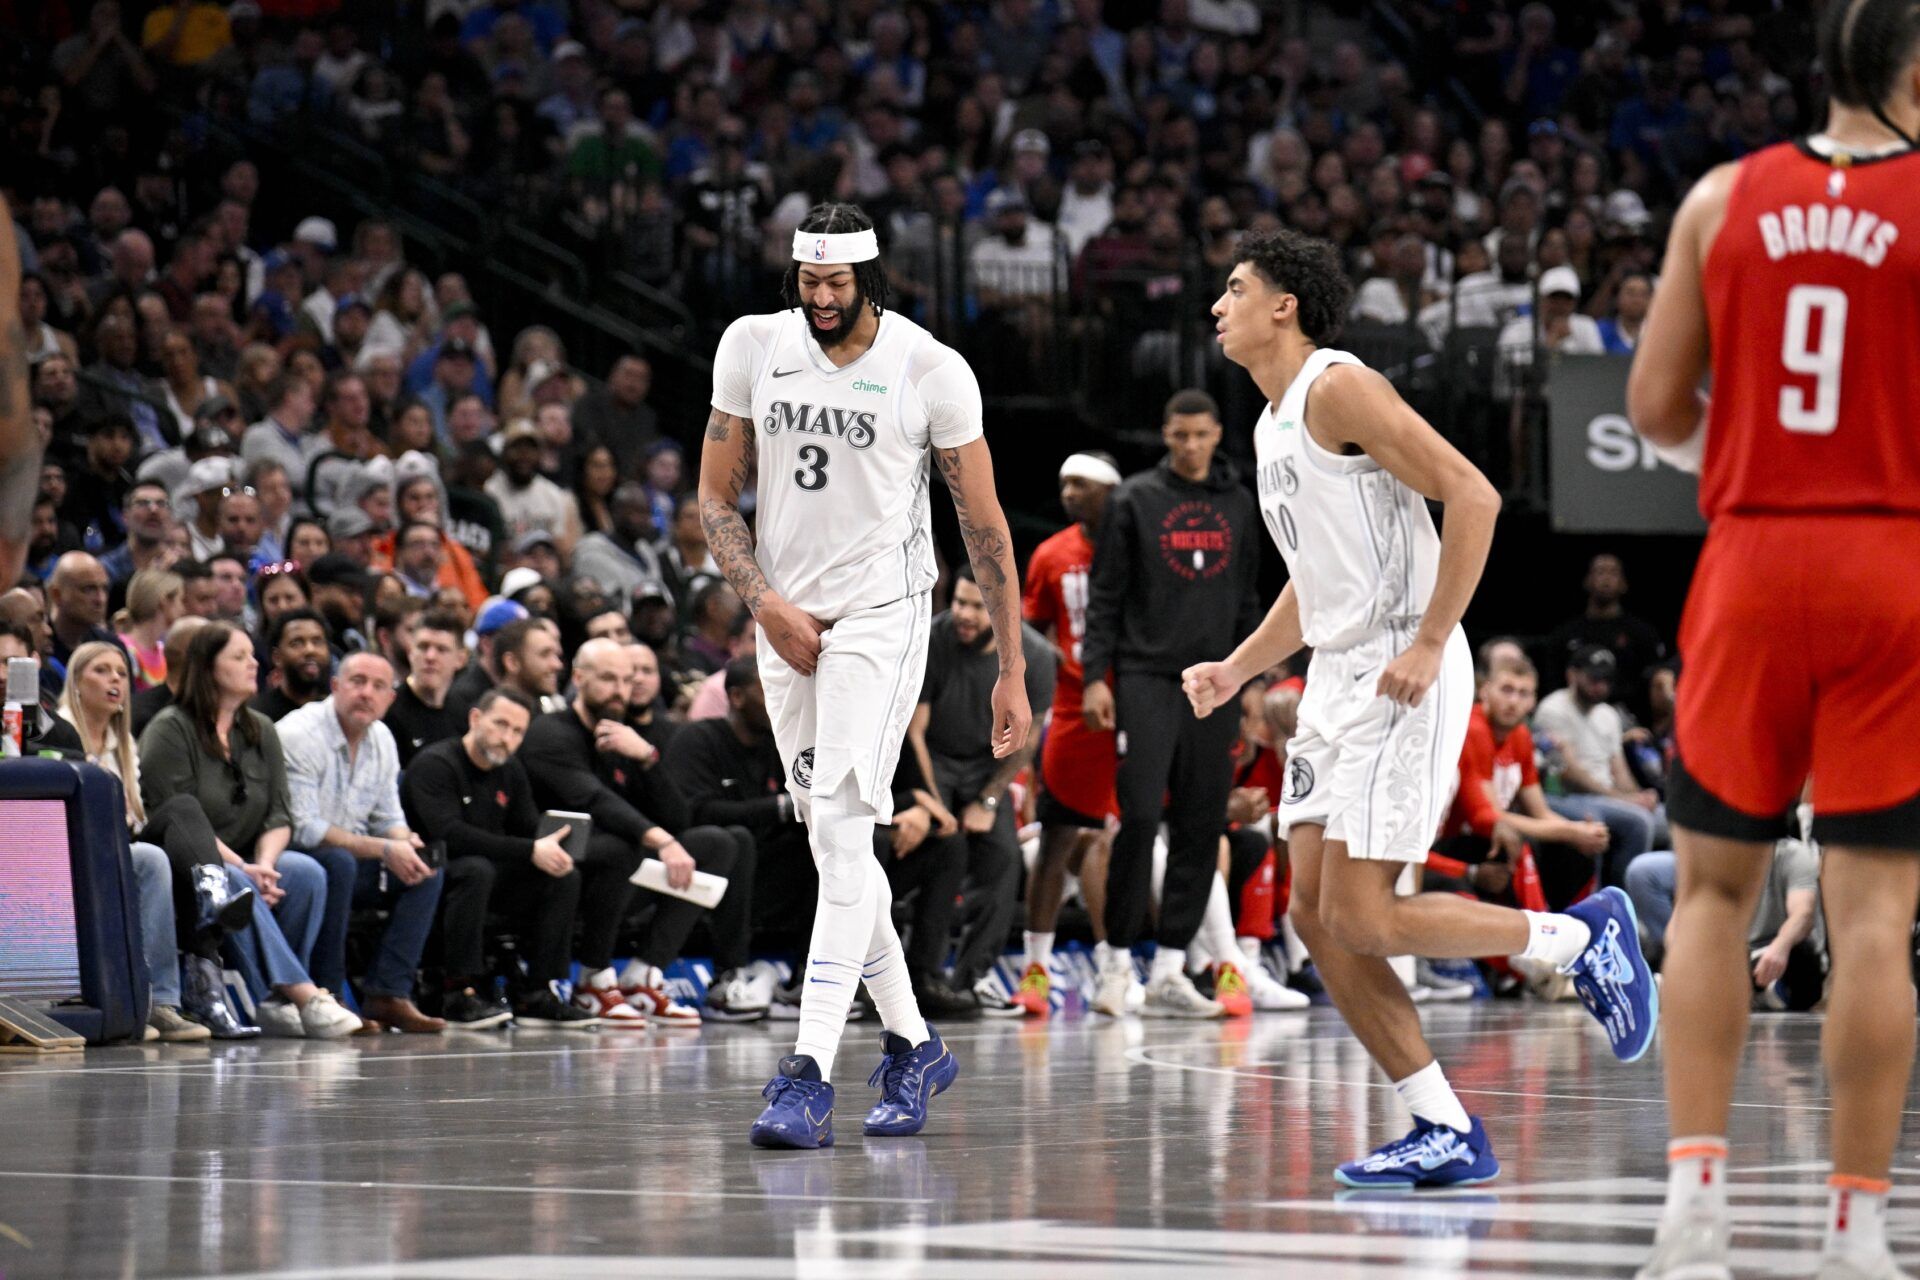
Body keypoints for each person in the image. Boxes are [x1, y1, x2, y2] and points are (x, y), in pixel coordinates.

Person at [1185, 226, 1653, 1189]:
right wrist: (1236, 669)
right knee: (1317, 920)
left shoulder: (1337, 386)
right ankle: (1442, 1126)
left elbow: (1472, 496)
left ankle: (1578, 934)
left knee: (1368, 913)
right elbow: (1314, 586)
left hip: (1407, 663)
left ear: (1285, 305)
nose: (1217, 305)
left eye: (1235, 288)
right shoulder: (1272, 424)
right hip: (1337, 676)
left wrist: (1434, 638)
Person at [1625, 8, 1920, 1276]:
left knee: (1709, 892)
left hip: (1749, 554)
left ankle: (1694, 1215)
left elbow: (1651, 406)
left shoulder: (1717, 198)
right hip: (1892, 559)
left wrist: (1757, 460)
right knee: (1869, 916)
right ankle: (1855, 1228)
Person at [699, 201, 1029, 1148]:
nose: (822, 299)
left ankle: (806, 1073)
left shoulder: (930, 369)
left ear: (871, 279)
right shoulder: (752, 345)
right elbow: (716, 495)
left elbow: (986, 529)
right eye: (809, 283)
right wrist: (764, 603)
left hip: (881, 621)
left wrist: (1012, 668)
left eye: (839, 283)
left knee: (844, 829)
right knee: (835, 849)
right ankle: (915, 1046)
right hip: (784, 617)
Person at [1079, 389, 1263, 1019]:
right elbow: (1105, 596)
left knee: (1202, 822)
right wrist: (1095, 679)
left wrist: (1253, 677)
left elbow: (1248, 601)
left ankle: (1170, 968)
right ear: (1165, 434)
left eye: (1201, 435)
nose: (1190, 446)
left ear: (1216, 435)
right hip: (1146, 675)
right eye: (1179, 435)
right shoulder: (1134, 499)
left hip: (1217, 681)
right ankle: (1115, 963)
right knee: (1136, 817)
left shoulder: (1240, 504)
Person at [138, 621, 363, 1038]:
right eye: (239, 657)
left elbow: (280, 814)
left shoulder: (260, 729)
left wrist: (265, 865)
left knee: (307, 872)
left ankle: (274, 1002)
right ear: (208, 668)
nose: (253, 663)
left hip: (250, 857)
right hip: (191, 861)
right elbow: (176, 817)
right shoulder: (170, 729)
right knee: (236, 879)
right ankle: (304, 996)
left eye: (251, 655)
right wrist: (247, 867)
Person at [517, 638, 715, 1028]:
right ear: (578, 678)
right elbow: (594, 800)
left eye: (626, 680)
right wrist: (662, 841)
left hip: (618, 871)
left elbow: (678, 818)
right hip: (552, 862)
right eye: (608, 678)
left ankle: (642, 976)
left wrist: (647, 758)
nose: (620, 690)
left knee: (717, 844)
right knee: (621, 846)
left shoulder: (624, 738)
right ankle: (593, 977)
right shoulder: (550, 733)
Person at [58, 640, 248, 1041]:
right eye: (102, 671)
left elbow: (137, 815)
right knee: (153, 858)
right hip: (76, 849)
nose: (115, 680)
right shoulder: (59, 731)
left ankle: (210, 886)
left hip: (122, 837)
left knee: (181, 813)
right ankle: (158, 1001)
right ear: (75, 682)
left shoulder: (122, 742)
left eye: (123, 673)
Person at [402, 687, 601, 1030]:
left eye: (517, 731)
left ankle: (537, 992)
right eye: (500, 725)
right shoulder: (437, 764)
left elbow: (527, 830)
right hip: (430, 870)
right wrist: (529, 850)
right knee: (476, 870)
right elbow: (450, 834)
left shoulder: (510, 771)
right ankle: (455, 992)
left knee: (562, 875)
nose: (506, 738)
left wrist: (552, 848)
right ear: (475, 719)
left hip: (489, 875)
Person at [903, 565, 1055, 1012]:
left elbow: (1027, 740)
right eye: (960, 602)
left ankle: (973, 978)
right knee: (940, 848)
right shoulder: (932, 639)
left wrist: (989, 799)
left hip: (989, 765)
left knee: (1003, 858)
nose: (965, 614)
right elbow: (915, 732)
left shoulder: (1037, 655)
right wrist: (933, 803)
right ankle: (920, 975)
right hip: (932, 758)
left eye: (978, 606)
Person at [278, 652, 446, 1034]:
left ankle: (388, 993)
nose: (366, 693)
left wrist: (405, 844)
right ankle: (330, 994)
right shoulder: (299, 734)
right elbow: (305, 827)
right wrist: (386, 849)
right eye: (357, 682)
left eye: (378, 686)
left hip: (352, 854)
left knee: (426, 869)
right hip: (292, 856)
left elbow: (388, 817)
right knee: (339, 862)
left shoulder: (382, 738)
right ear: (335, 686)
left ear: (391, 698)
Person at [1015, 451, 1122, 1016]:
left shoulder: (1136, 544)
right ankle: (1036, 970)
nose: (1068, 492)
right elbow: (1031, 634)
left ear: (1109, 488)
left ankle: (1115, 968)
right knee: (1058, 834)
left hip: (1132, 707)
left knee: (1114, 836)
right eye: (1063, 483)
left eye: (1080, 483)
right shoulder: (1051, 554)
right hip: (1072, 709)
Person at [1532, 645, 1662, 886]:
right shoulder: (1553, 708)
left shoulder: (1609, 714)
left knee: (1670, 821)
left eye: (1606, 680)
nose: (1600, 686)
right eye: (1593, 678)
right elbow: (1567, 773)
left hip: (1606, 795)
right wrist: (1623, 800)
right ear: (1572, 675)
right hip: (1566, 795)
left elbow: (1619, 770)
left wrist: (1638, 796)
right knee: (1629, 821)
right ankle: (1613, 902)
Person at [384, 608, 467, 767]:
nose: (430, 657)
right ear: (410, 653)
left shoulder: (463, 714)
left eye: (442, 649)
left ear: (460, 659)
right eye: (423, 647)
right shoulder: (389, 711)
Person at [251, 608, 332, 721]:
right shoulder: (257, 716)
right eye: (297, 643)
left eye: (317, 641)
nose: (310, 650)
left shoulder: (338, 711)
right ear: (277, 657)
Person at [117, 568, 183, 693]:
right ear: (164, 601)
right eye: (180, 600)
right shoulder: (124, 650)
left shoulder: (162, 650)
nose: (182, 608)